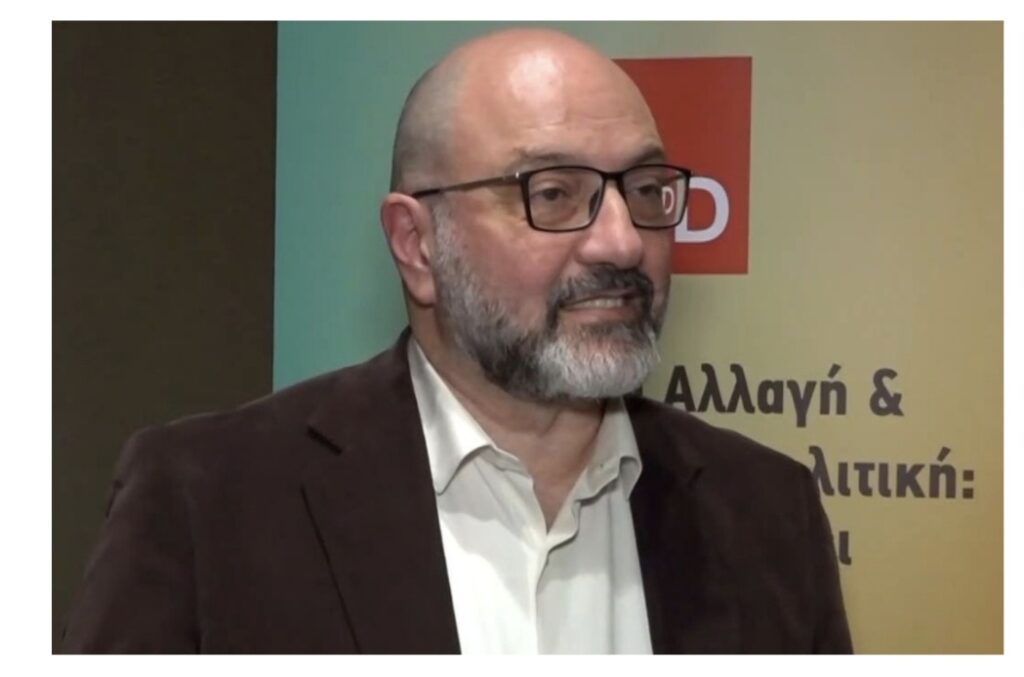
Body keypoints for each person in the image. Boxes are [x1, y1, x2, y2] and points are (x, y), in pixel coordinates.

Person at [61, 28, 852, 654]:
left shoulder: (766, 514)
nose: (621, 241)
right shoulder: (208, 504)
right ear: (417, 245)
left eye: (646, 190)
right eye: (553, 193)